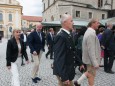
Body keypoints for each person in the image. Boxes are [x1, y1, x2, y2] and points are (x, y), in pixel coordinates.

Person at [53, 14, 84, 86]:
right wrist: (64, 76)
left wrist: (80, 63)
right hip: (64, 72)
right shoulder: (60, 36)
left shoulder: (68, 34)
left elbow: (72, 51)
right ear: (65, 22)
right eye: (71, 21)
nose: (73, 23)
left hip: (68, 70)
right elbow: (59, 58)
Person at [74, 19, 101, 86]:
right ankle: (77, 82)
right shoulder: (90, 34)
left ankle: (78, 82)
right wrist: (95, 63)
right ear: (92, 23)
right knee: (91, 76)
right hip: (91, 61)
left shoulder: (89, 32)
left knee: (89, 73)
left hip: (89, 60)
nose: (99, 24)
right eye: (97, 23)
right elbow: (91, 50)